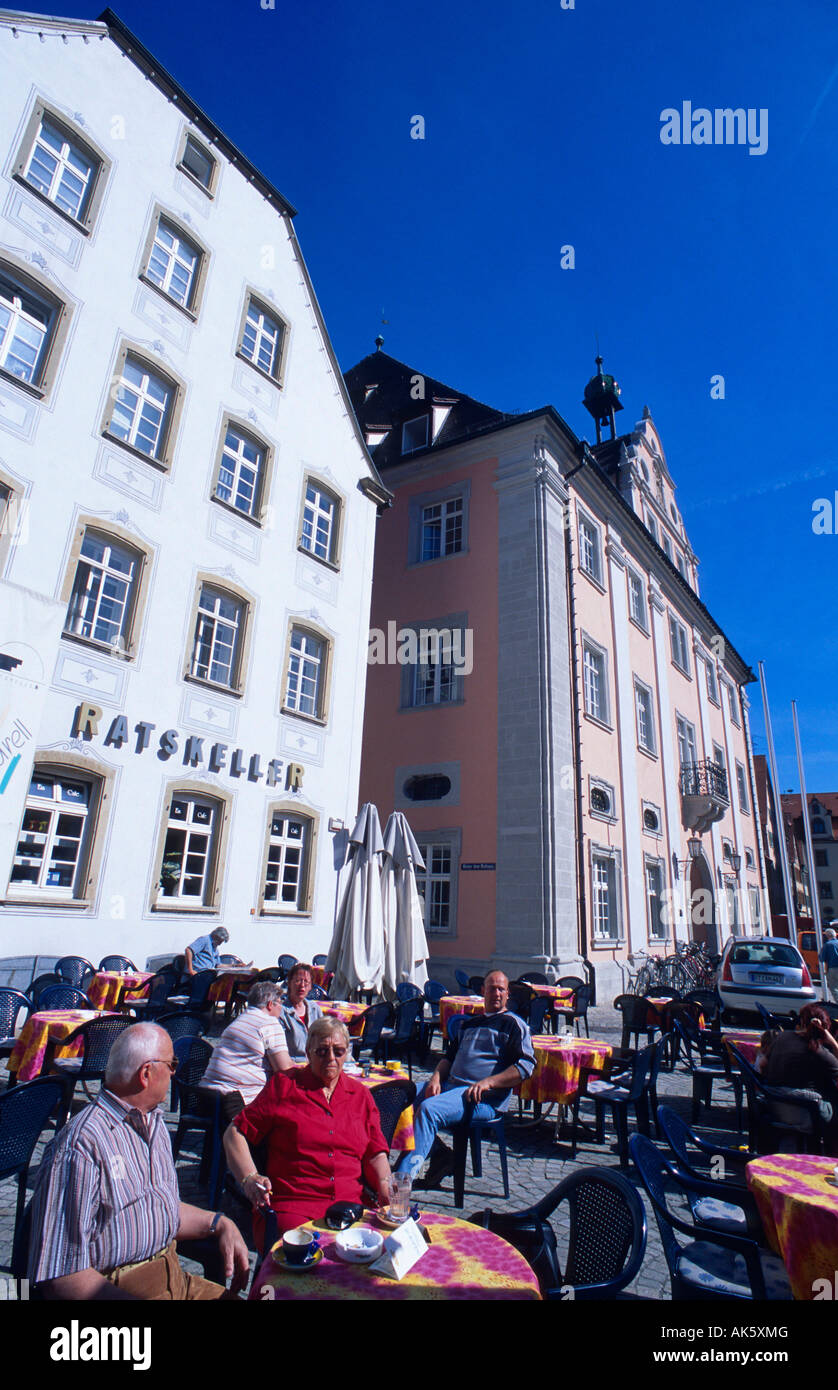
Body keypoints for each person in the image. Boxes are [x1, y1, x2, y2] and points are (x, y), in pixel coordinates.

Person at [28, 1023, 249, 1300]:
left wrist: (219, 1222)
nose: (174, 1072)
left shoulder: (152, 1122)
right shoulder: (81, 1147)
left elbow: (159, 1209)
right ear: (147, 1073)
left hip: (176, 1282)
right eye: (172, 1064)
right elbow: (61, 1275)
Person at [223, 1017, 392, 1243]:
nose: (331, 1058)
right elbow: (235, 1133)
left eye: (339, 1051)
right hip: (295, 1207)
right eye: (322, 1051)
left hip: (351, 1208)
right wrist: (250, 1178)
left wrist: (386, 1187)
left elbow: (375, 1152)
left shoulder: (360, 1095)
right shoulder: (284, 1087)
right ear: (308, 1052)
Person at [394, 970, 535, 1187]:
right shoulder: (470, 1023)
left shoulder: (514, 1024)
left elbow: (526, 1066)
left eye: (501, 989)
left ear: (508, 994)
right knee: (400, 1099)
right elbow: (447, 1059)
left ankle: (399, 1185)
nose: (496, 993)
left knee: (429, 1110)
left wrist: (489, 1082)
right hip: (451, 1087)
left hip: (482, 1098)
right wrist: (435, 1079)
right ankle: (440, 1155)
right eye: (491, 988)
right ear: (482, 991)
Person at [197, 981, 289, 1125]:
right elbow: (284, 1069)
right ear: (270, 1004)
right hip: (235, 1101)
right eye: (280, 1002)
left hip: (205, 1096)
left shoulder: (239, 1020)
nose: (281, 1007)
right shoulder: (269, 1023)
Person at [762, 1003, 838, 1152]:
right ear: (826, 1029)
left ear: (801, 1022)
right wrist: (834, 1044)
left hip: (773, 1104)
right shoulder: (818, 1051)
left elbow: (764, 1064)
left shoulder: (782, 1037)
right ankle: (831, 1158)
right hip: (803, 1112)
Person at [278, 961, 324, 1064]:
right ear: (289, 983)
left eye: (306, 982)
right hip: (294, 1065)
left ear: (311, 986)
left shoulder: (315, 1009)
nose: (302, 986)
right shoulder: (281, 1013)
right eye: (298, 981)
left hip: (317, 1064)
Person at [820, 927, 838, 1004]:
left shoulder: (827, 945)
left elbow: (822, 958)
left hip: (832, 968)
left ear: (827, 936)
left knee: (834, 987)